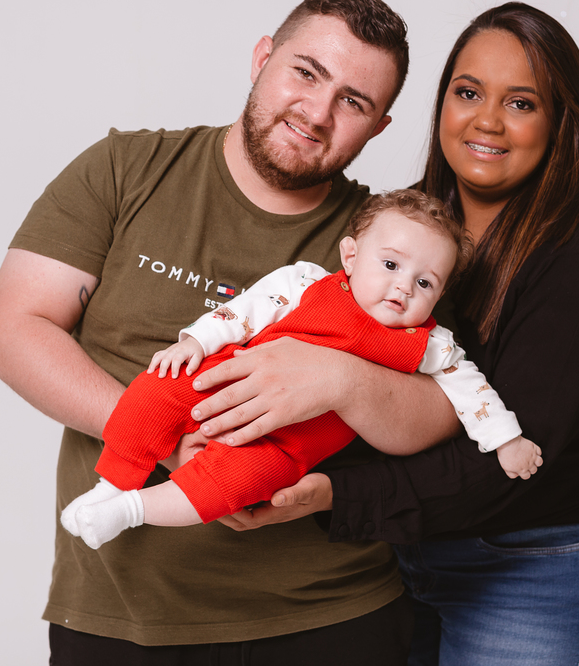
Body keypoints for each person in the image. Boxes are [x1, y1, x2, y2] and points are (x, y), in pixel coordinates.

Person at [0, 0, 460, 665]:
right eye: (306, 72)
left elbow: (442, 413)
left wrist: (341, 380)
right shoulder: (127, 169)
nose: (317, 113)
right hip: (122, 618)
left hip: (330, 617)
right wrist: (165, 438)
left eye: (353, 102)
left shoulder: (394, 244)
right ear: (262, 58)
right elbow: (10, 332)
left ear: (379, 127)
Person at [191, 3, 579, 665]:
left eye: (521, 103)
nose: (486, 121)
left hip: (542, 558)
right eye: (468, 93)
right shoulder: (408, 226)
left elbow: (511, 461)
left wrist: (333, 495)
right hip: (411, 553)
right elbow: (344, 357)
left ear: (562, 125)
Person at [59, 190, 543, 550]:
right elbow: (246, 311)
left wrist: (507, 439)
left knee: (231, 486)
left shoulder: (428, 343)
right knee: (156, 391)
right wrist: (196, 341)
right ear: (351, 256)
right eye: (391, 265)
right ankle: (113, 484)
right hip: (224, 380)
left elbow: (472, 390)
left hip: (284, 446)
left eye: (425, 283)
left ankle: (130, 510)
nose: (403, 288)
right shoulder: (308, 283)